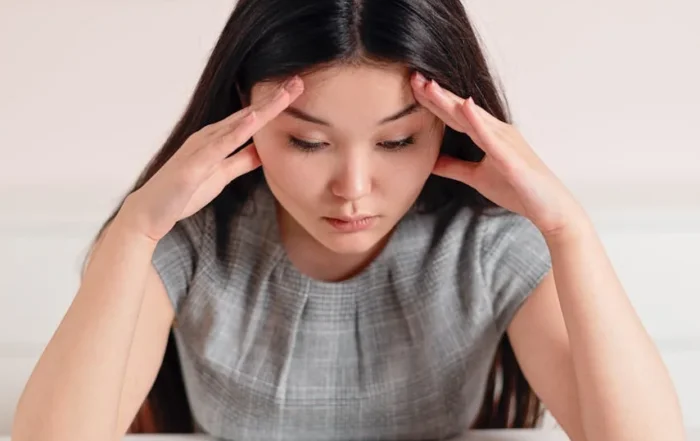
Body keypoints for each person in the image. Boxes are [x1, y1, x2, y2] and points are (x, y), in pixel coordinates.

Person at [12, 0, 685, 440]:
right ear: (242, 116)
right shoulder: (193, 244)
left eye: (397, 141)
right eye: (307, 141)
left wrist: (569, 228)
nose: (353, 189)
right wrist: (133, 230)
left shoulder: (483, 247)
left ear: (449, 128)